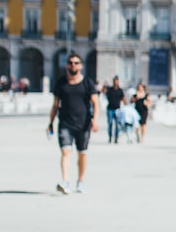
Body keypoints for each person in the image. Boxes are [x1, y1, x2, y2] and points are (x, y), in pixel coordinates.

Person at [47, 52, 101, 194]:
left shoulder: (87, 83)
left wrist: (95, 121)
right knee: (65, 151)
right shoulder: (61, 83)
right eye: (70, 62)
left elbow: (96, 103)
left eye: (76, 63)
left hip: (83, 124)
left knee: (82, 153)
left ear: (81, 66)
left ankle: (80, 181)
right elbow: (55, 105)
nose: (73, 65)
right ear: (66, 65)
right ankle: (65, 182)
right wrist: (50, 123)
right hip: (65, 123)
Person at [104, 76, 126, 143]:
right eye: (115, 81)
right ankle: (110, 137)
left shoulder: (120, 90)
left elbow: (123, 98)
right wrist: (105, 85)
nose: (116, 82)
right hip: (110, 109)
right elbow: (103, 91)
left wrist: (127, 106)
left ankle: (116, 138)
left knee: (117, 125)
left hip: (117, 110)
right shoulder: (110, 89)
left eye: (117, 81)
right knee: (110, 123)